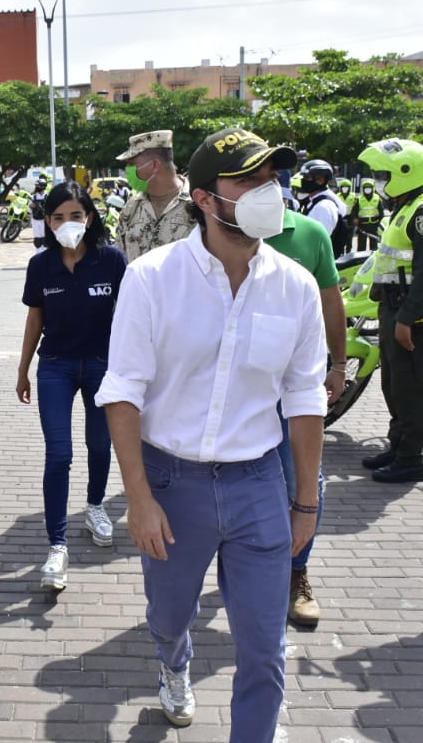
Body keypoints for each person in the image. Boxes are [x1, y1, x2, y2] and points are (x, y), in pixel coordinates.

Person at [96, 127, 325, 739]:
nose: (267, 193)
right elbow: (122, 392)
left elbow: (304, 399)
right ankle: (174, 662)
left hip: (258, 483)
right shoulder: (151, 278)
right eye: (248, 181)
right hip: (173, 484)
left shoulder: (294, 285)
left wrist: (306, 500)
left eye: (272, 180)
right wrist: (139, 499)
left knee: (264, 647)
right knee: (169, 617)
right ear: (204, 197)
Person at [16, 182, 128, 591]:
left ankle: (96, 506)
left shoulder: (112, 261)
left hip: (102, 366)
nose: (67, 224)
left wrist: (132, 371)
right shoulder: (41, 264)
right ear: (47, 221)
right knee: (59, 454)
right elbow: (35, 320)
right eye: (58, 217)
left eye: (76, 216)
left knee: (100, 445)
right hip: (56, 367)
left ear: (91, 218)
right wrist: (23, 368)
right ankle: (57, 545)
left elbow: (132, 317)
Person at [264, 206, 348, 627]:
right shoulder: (218, 230)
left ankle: (297, 572)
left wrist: (339, 365)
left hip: (294, 387)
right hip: (239, 391)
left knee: (303, 479)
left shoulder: (311, 233)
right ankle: (249, 570)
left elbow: (332, 301)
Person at [359, 138, 423, 483]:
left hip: (408, 313)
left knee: (409, 388)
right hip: (390, 307)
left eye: (383, 174)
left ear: (405, 173)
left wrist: (407, 320)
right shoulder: (402, 210)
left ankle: (411, 457)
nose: (378, 180)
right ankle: (397, 446)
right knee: (392, 384)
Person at [115, 130, 194, 262]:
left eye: (132, 164)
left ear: (155, 165)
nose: (127, 170)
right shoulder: (131, 208)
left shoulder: (197, 205)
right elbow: (120, 258)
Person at [295, 158, 348, 257]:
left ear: (320, 180)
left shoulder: (324, 207)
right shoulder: (315, 202)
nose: (303, 181)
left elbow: (318, 243)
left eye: (307, 177)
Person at [353, 177, 384, 251]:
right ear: (363, 189)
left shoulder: (377, 198)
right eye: (366, 188)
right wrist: (355, 219)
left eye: (369, 188)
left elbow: (381, 212)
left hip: (374, 225)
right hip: (362, 225)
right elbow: (354, 211)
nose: (367, 189)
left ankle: (373, 260)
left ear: (372, 188)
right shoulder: (359, 199)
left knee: (374, 245)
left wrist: (379, 223)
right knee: (361, 245)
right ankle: (360, 260)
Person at [29, 178, 49, 248]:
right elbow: (29, 207)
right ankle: (38, 255)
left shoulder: (47, 196)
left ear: (43, 186)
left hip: (45, 220)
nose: (37, 187)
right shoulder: (33, 197)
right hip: (35, 220)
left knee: (45, 239)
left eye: (39, 186)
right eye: (37, 186)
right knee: (37, 240)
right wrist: (32, 206)